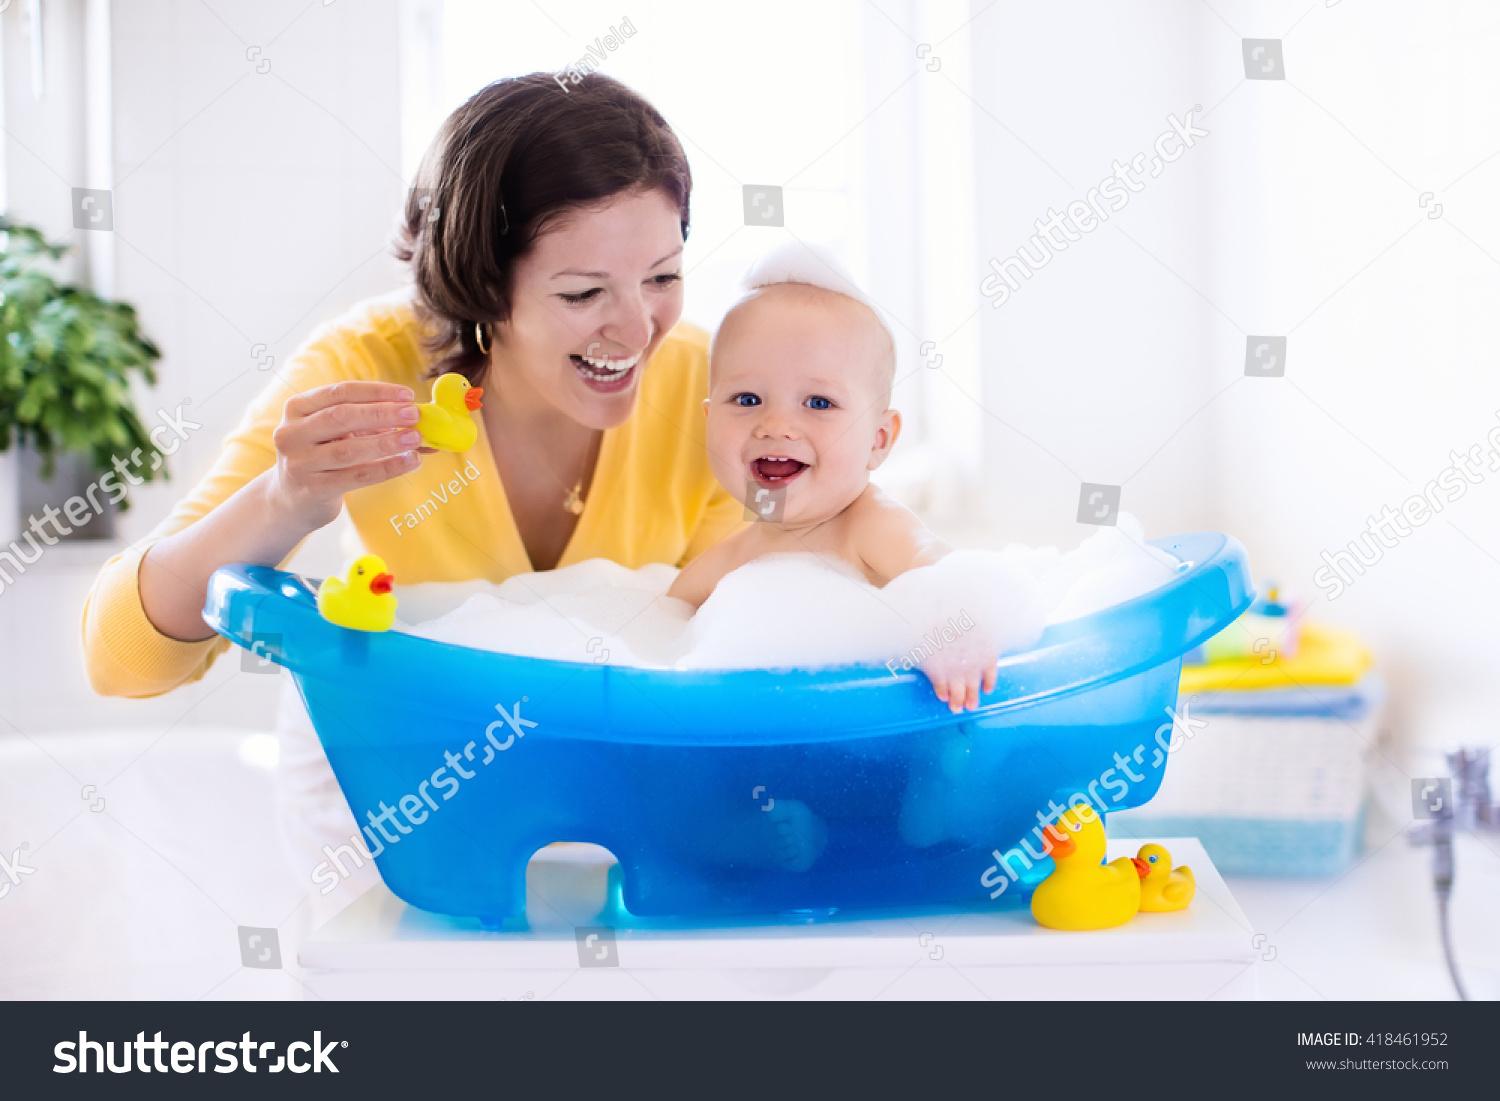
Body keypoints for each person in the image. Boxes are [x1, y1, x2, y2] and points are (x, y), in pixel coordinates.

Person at [81, 72, 745, 914]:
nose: (637, 327)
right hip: (392, 767)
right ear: (481, 284)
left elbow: (752, 633)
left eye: (663, 276)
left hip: (608, 761)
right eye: (583, 293)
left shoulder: (713, 388)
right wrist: (286, 497)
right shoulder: (367, 363)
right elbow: (121, 657)